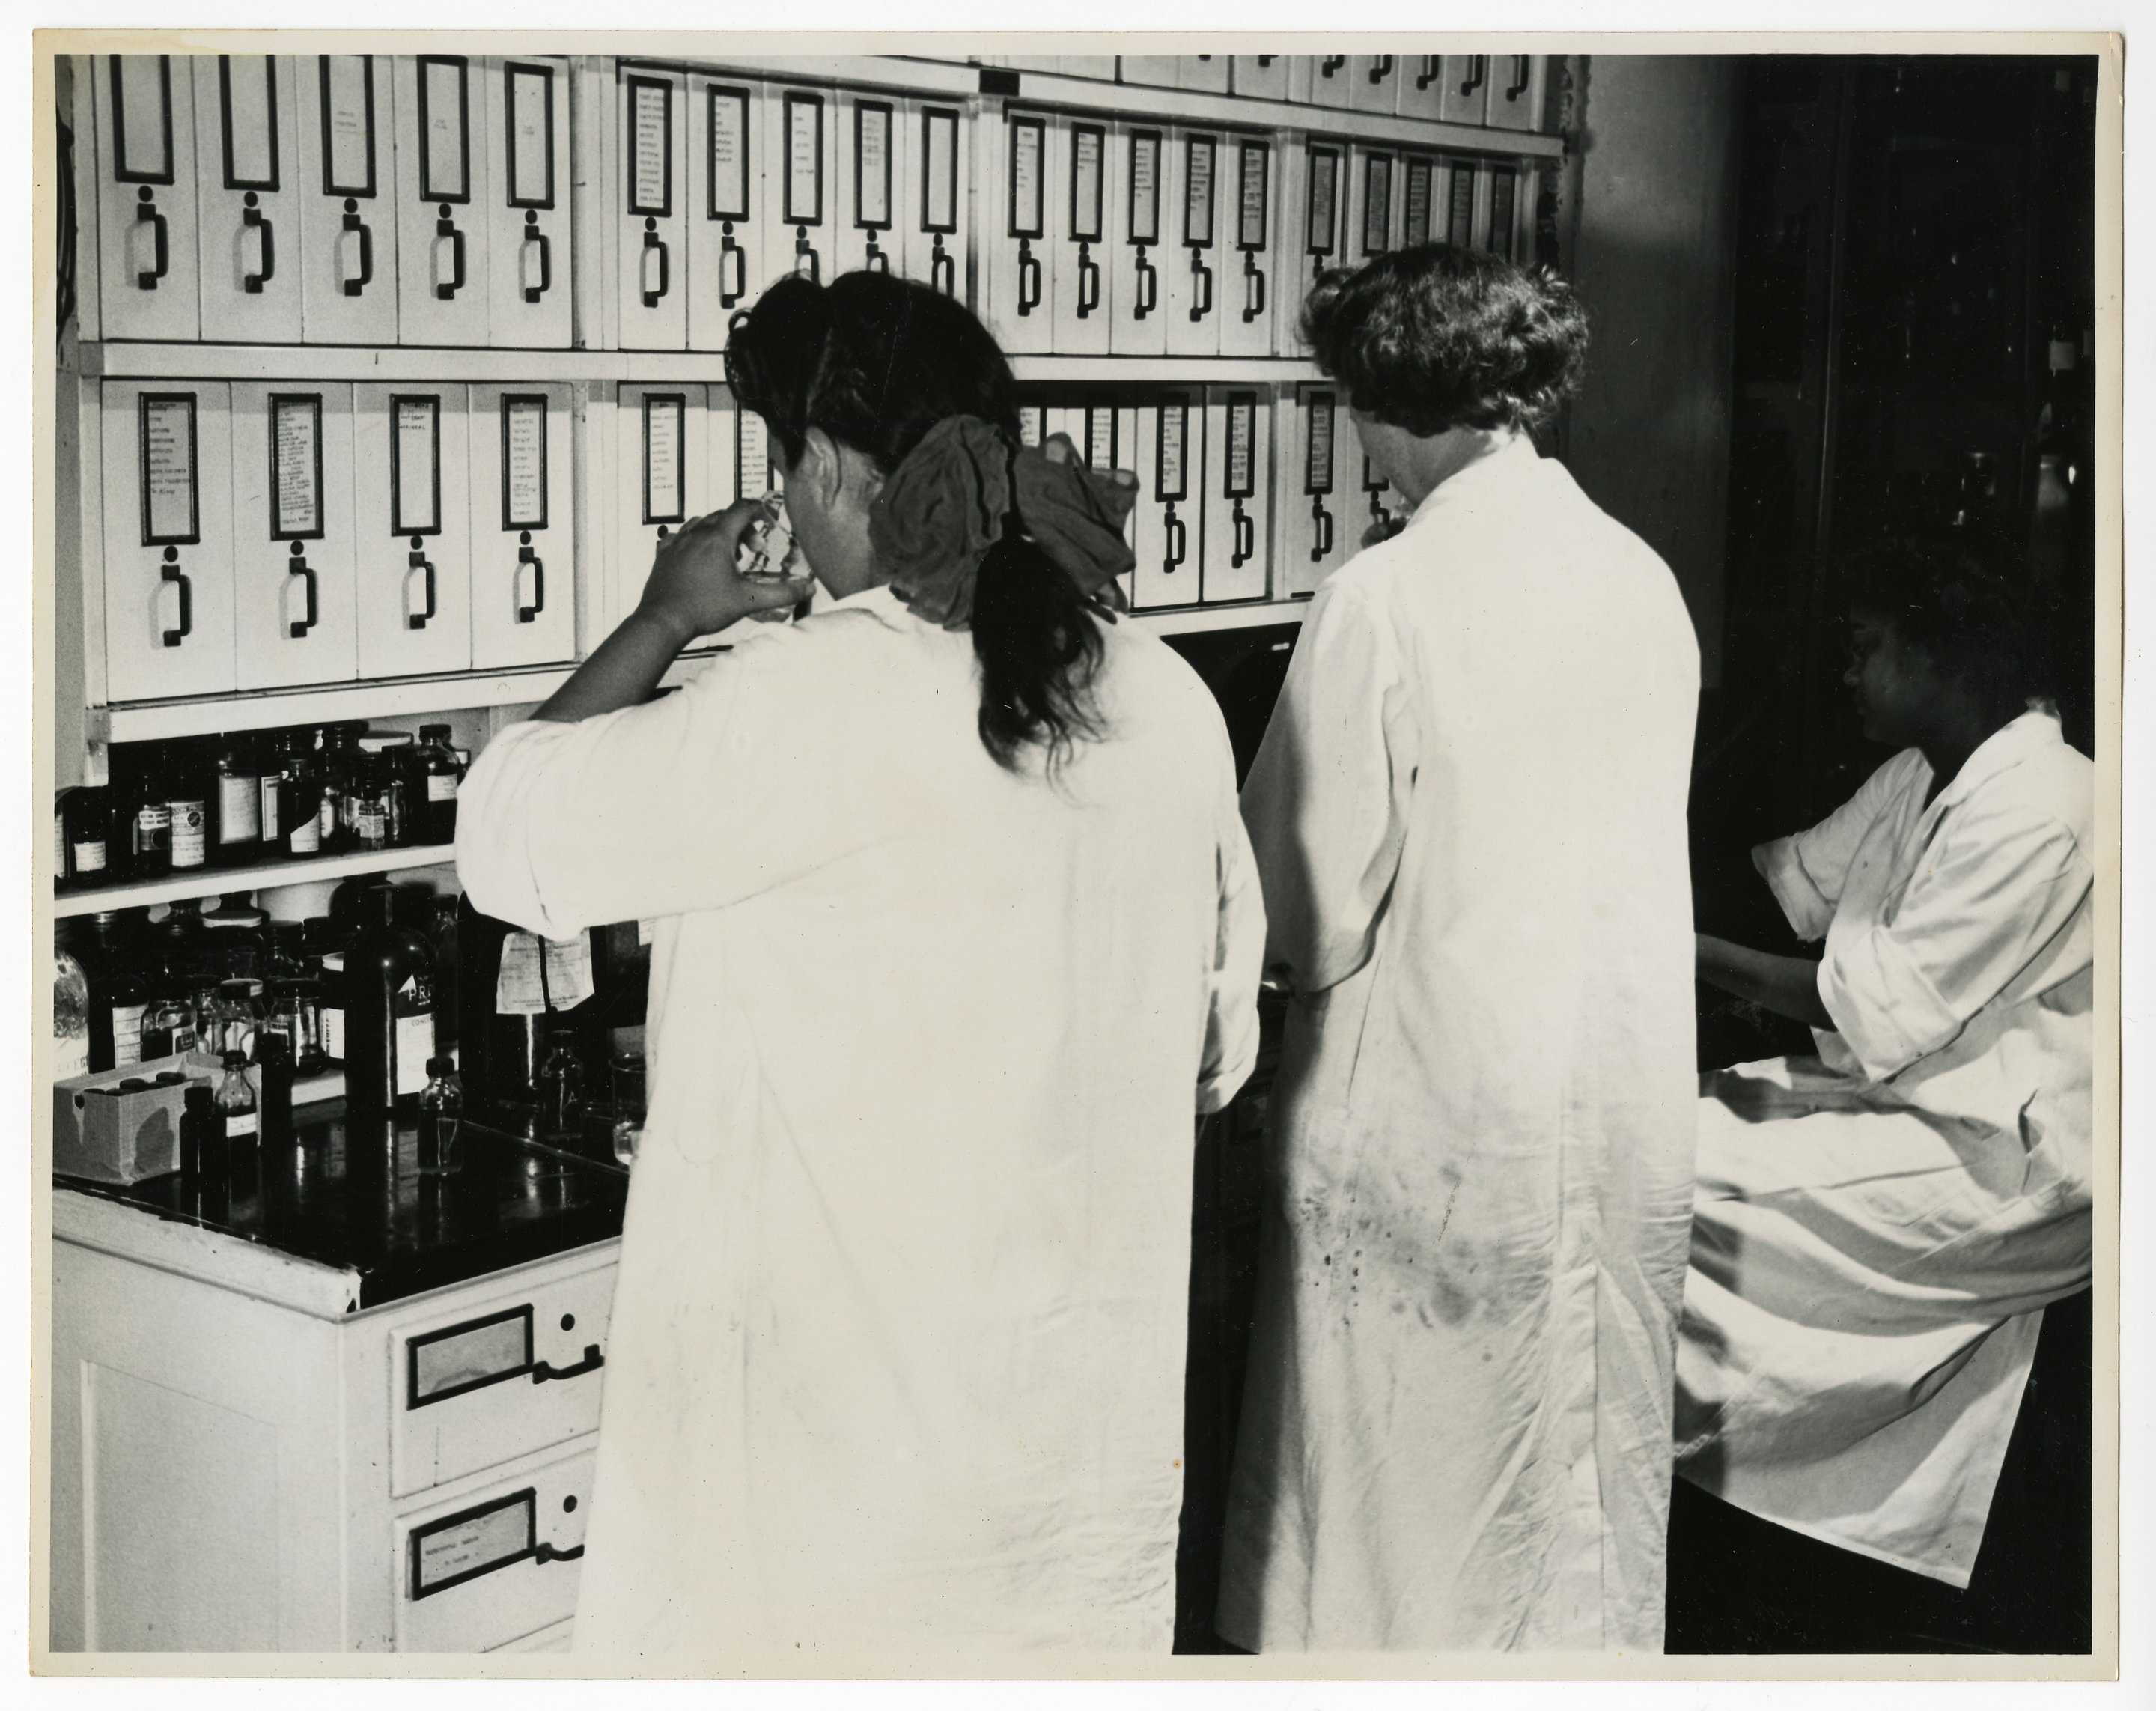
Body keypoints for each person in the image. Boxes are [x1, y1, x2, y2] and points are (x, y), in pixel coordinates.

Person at [457, 271, 1266, 1659]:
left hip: (843, 1526)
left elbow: (502, 833)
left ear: (825, 468)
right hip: (1075, 1502)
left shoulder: (799, 695)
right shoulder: (1168, 695)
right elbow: (1215, 1053)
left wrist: (667, 615)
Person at [1216, 246, 1702, 1652]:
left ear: (1384, 401)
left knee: (1401, 1532)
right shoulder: (1641, 578)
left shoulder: (1385, 597)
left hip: (1431, 1139)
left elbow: (1305, 908)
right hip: (1613, 1126)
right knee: (1575, 1502)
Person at [1678, 537, 2092, 1592]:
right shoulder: (1919, 774)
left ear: (1944, 655)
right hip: (1921, 1098)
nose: (1848, 671)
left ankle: (1718, 1500)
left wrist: (1665, 944)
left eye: (1866, 647)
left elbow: (1857, 1003)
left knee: (1675, 1187)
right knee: (1665, 1129)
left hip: (2020, 1153)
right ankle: (1728, 1478)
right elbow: (1780, 890)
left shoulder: (2044, 801)